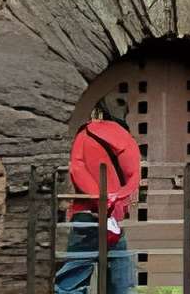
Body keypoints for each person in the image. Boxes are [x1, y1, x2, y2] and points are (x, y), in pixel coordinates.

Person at [54, 96, 142, 294]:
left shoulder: (85, 135)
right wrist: (117, 197)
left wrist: (99, 196)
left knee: (73, 280)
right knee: (120, 280)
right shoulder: (127, 139)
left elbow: (77, 168)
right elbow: (134, 175)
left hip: (88, 214)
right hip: (114, 217)